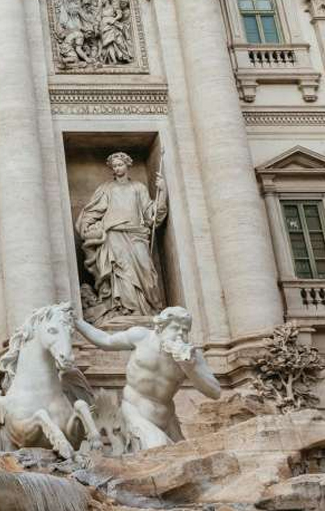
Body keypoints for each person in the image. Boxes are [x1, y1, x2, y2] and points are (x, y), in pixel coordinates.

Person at [74, 307, 221, 451]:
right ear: (160, 327)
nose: (180, 335)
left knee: (185, 457)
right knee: (159, 449)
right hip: (134, 411)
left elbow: (215, 392)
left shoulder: (192, 356)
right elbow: (105, 340)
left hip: (167, 419)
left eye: (185, 331)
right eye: (176, 328)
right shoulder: (141, 337)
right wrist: (77, 322)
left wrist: (189, 367)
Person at [76, 151, 167, 324]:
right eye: (115, 166)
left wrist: (162, 192)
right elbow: (92, 212)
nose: (118, 168)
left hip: (136, 235)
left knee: (145, 271)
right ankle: (125, 309)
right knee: (121, 272)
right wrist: (88, 227)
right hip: (114, 235)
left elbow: (151, 216)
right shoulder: (106, 189)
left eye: (120, 165)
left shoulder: (138, 188)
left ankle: (146, 308)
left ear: (127, 165)